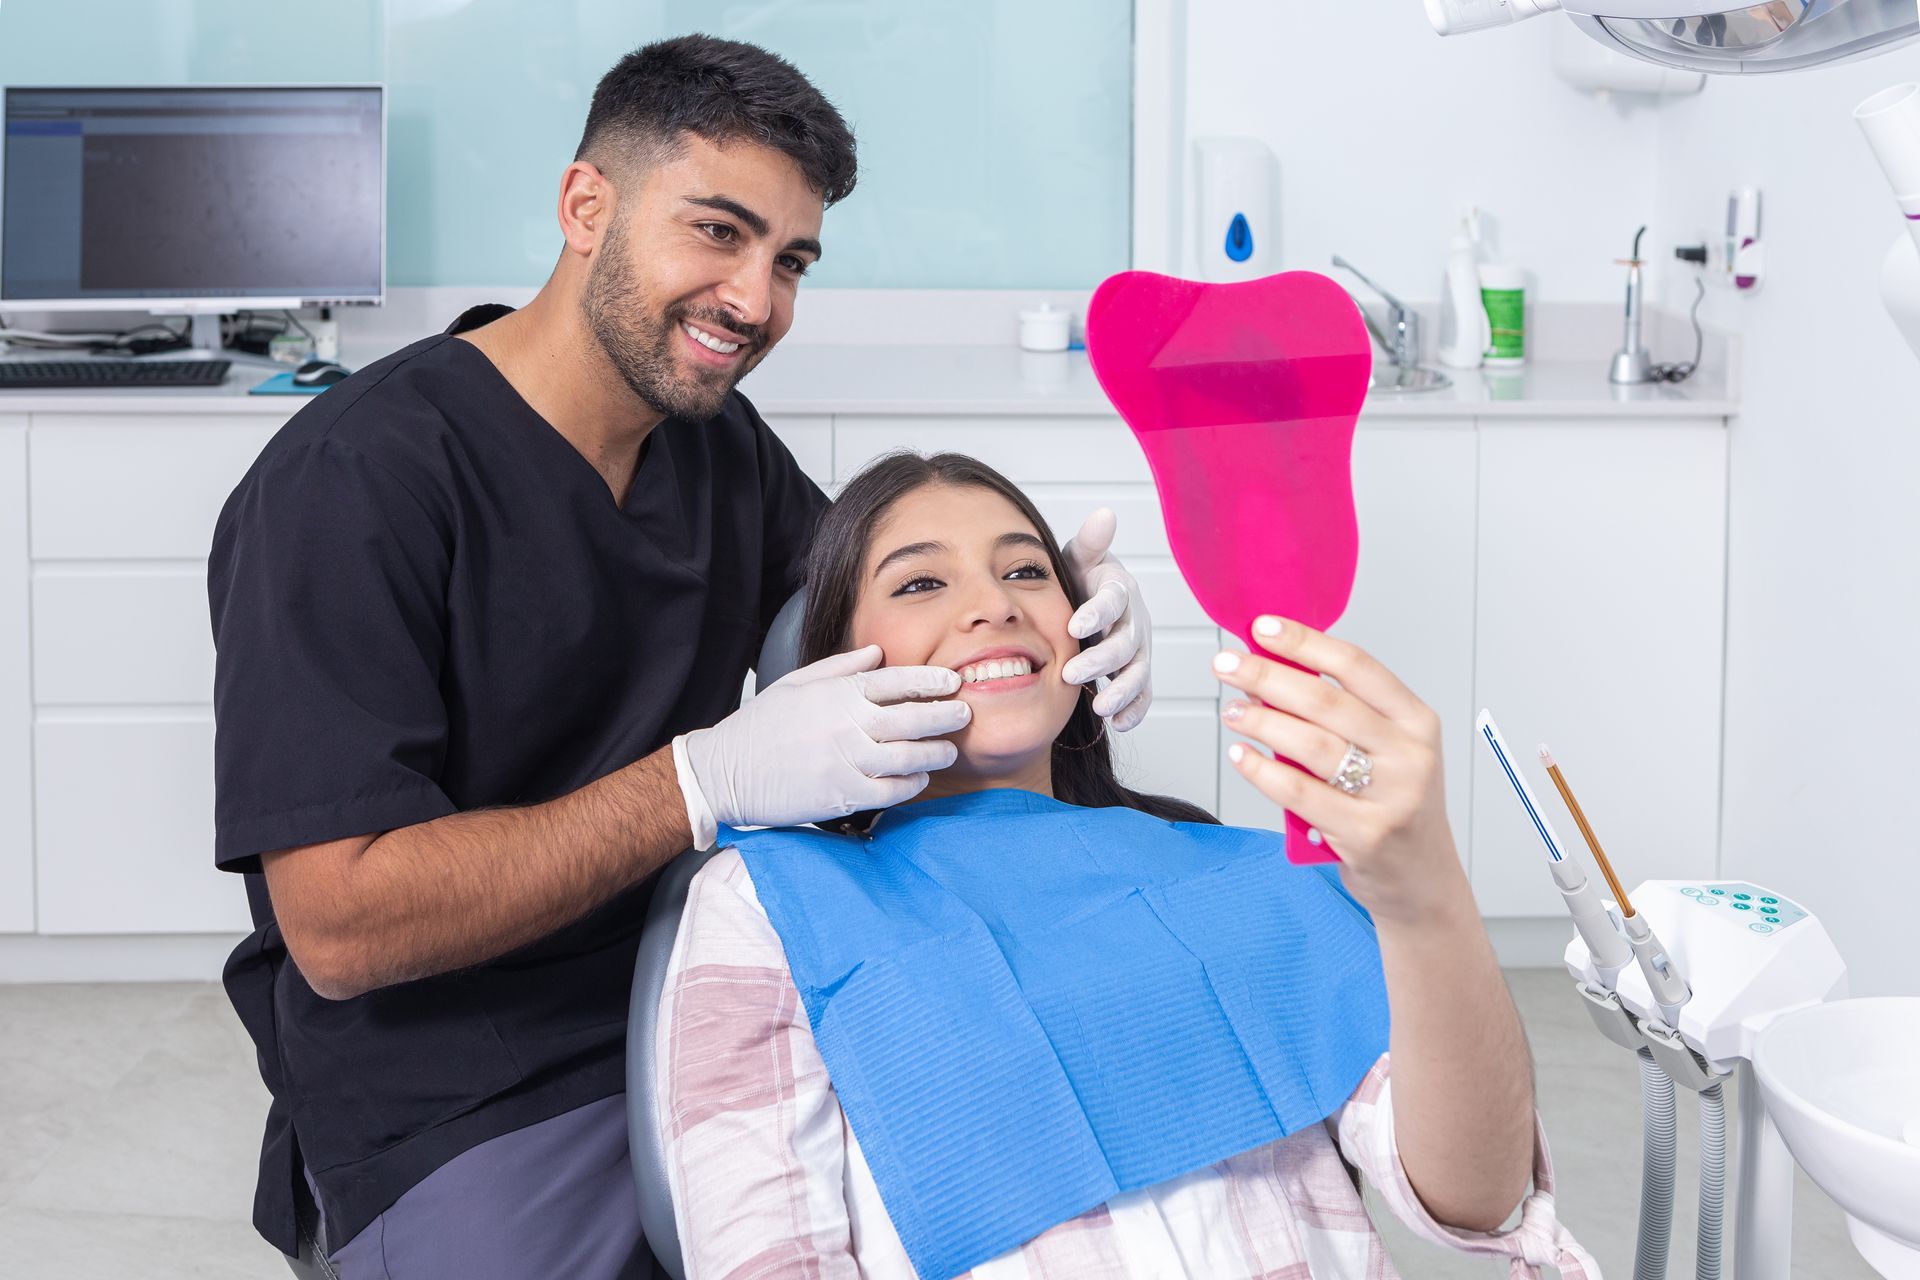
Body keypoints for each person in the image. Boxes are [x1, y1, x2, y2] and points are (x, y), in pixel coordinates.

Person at [208, 38, 1156, 1279]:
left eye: (791, 261)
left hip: (731, 979)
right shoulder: (354, 481)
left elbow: (892, 620)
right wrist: (697, 782)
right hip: (468, 1079)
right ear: (584, 206)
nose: (755, 300)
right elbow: (339, 922)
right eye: (718, 232)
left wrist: (1049, 616)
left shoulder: (717, 448)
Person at [656, 452, 1599, 1279]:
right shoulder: (773, 903)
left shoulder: (1250, 875)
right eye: (918, 585)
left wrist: (1425, 892)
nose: (995, 605)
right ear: (832, 662)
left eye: (1028, 570)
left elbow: (1479, 1197)